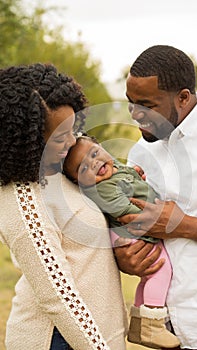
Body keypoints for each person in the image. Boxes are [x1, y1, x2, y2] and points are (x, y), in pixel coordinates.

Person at [0, 63, 134, 350]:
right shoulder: (22, 198)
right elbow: (58, 296)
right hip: (58, 339)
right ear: (29, 138)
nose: (73, 141)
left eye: (73, 129)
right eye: (61, 136)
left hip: (92, 334)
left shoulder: (61, 172)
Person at [113, 45, 197, 350]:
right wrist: (125, 257)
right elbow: (134, 222)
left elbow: (171, 225)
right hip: (167, 330)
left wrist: (182, 225)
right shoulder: (141, 151)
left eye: (146, 104)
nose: (136, 114)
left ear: (183, 97)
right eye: (130, 103)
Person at [63, 134, 180, 349]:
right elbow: (126, 214)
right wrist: (162, 223)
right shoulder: (103, 189)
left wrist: (134, 175)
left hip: (131, 230)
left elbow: (124, 173)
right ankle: (152, 324)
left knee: (147, 279)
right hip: (131, 232)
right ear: (78, 182)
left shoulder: (113, 169)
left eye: (95, 153)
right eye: (83, 168)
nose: (95, 163)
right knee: (160, 269)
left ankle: (137, 324)